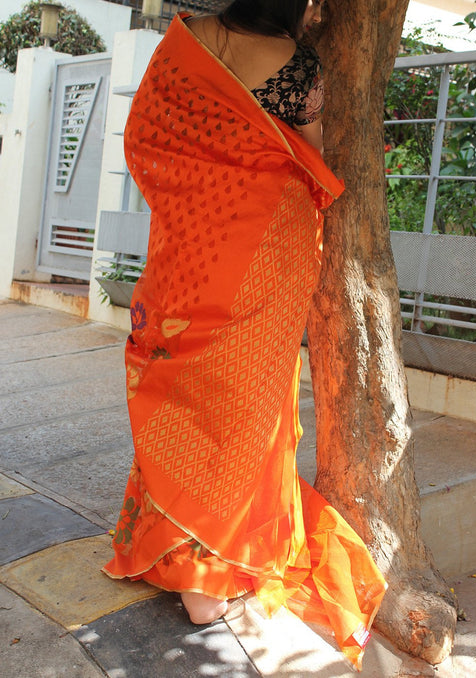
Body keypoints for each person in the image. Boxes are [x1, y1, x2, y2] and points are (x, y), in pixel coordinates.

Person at [103, 0, 387, 669]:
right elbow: (308, 158)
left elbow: (142, 140)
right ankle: (209, 580)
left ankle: (173, 545)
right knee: (247, 406)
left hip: (188, 249)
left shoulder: (182, 44)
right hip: (264, 246)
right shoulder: (296, 66)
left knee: (181, 386)